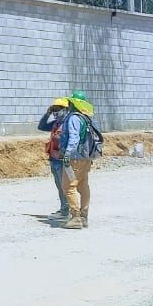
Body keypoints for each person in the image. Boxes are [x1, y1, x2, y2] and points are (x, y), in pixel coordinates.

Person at [58, 91, 102, 230]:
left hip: (74, 159)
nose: (68, 105)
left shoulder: (73, 118)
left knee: (68, 186)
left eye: (70, 103)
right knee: (83, 186)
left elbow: (74, 138)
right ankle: (84, 216)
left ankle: (75, 217)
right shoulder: (86, 118)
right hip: (86, 158)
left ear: (74, 103)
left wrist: (67, 154)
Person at [36, 97, 70, 220]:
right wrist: (47, 114)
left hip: (63, 161)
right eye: (54, 109)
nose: (56, 112)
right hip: (54, 160)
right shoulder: (55, 123)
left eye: (58, 109)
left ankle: (68, 210)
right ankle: (64, 208)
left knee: (65, 186)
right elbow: (41, 126)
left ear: (66, 109)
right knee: (59, 186)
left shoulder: (68, 123)